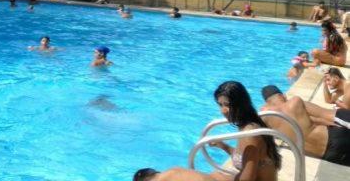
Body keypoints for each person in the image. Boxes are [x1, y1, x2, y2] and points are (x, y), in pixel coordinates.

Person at [145, 81, 281, 180]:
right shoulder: (247, 127)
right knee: (215, 175)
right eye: (220, 105)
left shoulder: (251, 133)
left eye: (227, 105)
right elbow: (247, 158)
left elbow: (248, 178)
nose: (223, 111)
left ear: (240, 103)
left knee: (176, 174)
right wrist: (224, 146)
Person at [261, 85, 350, 166]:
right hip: (334, 137)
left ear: (267, 103)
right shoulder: (295, 101)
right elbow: (322, 117)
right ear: (282, 95)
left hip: (327, 155)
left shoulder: (265, 117)